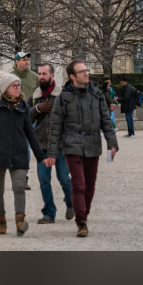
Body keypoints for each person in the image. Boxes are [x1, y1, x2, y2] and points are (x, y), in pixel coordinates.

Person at [45, 59, 119, 238]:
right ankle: (81, 221)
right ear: (72, 76)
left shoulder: (97, 94)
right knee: (79, 184)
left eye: (86, 70)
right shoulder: (64, 97)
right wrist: (52, 153)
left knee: (90, 186)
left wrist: (112, 143)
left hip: (93, 143)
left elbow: (106, 120)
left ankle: (84, 213)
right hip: (72, 145)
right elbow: (55, 126)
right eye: (82, 71)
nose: (86, 73)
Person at [0, 71, 46, 236]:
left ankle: (20, 221)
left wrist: (40, 156)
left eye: (18, 86)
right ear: (5, 88)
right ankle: (1, 222)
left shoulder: (23, 108)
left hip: (19, 154)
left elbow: (30, 133)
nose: (18, 88)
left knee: (19, 188)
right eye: (14, 86)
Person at [30, 63, 73, 224]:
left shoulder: (63, 95)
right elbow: (26, 119)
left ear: (52, 76)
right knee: (44, 181)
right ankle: (49, 212)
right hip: (41, 145)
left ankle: (71, 203)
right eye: (39, 74)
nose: (41, 77)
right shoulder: (35, 96)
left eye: (44, 74)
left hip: (60, 146)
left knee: (64, 178)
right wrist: (36, 109)